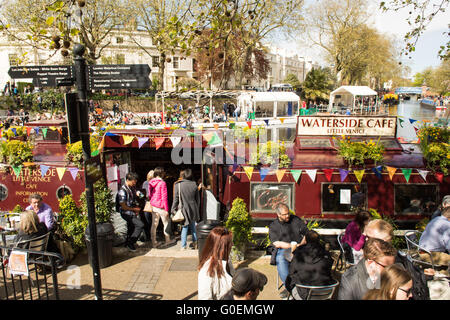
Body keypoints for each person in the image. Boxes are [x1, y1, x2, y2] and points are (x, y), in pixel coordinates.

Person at [364, 219, 433, 300]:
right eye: (366, 237)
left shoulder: (400, 266)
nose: (366, 240)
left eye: (369, 238)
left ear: (384, 242)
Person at [268, 203, 308, 298]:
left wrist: (301, 244)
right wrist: (291, 245)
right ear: (279, 215)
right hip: (284, 249)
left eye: (288, 213)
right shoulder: (274, 226)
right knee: (280, 258)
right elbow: (276, 243)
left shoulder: (296, 220)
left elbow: (307, 233)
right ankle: (289, 286)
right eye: (285, 214)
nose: (287, 216)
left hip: (300, 248)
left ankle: (307, 283)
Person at [285, 230, 335, 300]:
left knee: (290, 280)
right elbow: (329, 270)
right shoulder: (326, 254)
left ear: (306, 240)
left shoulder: (298, 254)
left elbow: (291, 272)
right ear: (318, 240)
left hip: (304, 295)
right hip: (325, 293)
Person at [198, 226, 234, 300]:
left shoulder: (227, 261)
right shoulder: (206, 272)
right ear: (221, 248)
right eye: (229, 244)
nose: (232, 245)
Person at [171, 168, 200, 250]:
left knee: (184, 226)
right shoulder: (194, 184)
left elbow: (176, 199)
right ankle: (195, 243)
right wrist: (197, 209)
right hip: (193, 208)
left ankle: (183, 246)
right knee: (193, 226)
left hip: (183, 208)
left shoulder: (178, 185)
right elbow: (197, 200)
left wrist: (173, 209)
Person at [117, 172, 145, 251]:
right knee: (140, 225)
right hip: (126, 213)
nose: (135, 183)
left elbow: (137, 194)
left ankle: (127, 243)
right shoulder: (122, 191)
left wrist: (142, 196)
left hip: (131, 211)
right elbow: (123, 206)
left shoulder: (132, 188)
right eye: (134, 181)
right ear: (128, 180)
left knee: (131, 227)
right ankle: (131, 242)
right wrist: (134, 209)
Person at [148, 167, 171, 247]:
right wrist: (167, 209)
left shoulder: (151, 182)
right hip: (161, 206)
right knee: (166, 223)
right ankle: (167, 240)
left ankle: (154, 242)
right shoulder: (162, 183)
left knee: (154, 225)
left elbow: (149, 195)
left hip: (154, 205)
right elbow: (164, 197)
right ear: (161, 173)